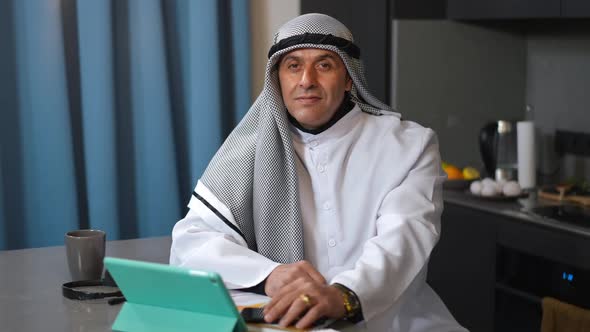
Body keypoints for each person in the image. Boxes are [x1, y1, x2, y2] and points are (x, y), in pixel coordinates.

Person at [170, 13, 467, 332]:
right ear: (277, 79)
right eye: (293, 66)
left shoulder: (408, 144)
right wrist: (270, 275)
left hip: (399, 323)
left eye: (324, 64)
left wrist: (344, 296)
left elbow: (404, 238)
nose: (306, 80)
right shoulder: (249, 151)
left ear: (349, 77)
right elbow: (191, 243)